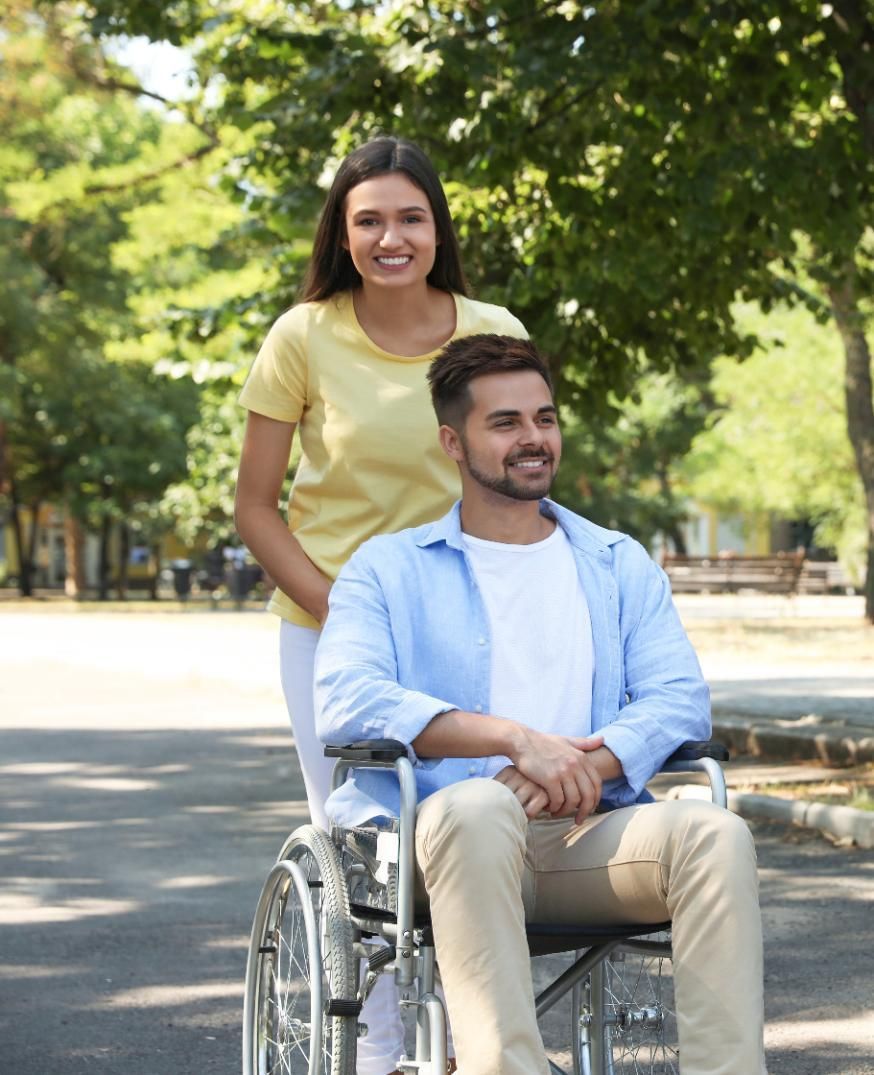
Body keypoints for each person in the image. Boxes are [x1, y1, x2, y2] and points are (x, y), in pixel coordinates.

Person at [315, 334, 767, 1075]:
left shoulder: (617, 561)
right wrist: (515, 740)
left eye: (545, 418)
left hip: (583, 834)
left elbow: (678, 696)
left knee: (714, 833)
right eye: (506, 423)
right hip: (444, 839)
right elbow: (348, 698)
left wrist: (585, 758)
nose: (534, 439)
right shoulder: (387, 569)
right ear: (452, 442)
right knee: (478, 808)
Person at [235, 137, 524, 1075]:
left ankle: (483, 1038)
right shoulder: (304, 336)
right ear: (343, 233)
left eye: (410, 217)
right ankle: (386, 1054)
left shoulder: (490, 328)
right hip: (329, 626)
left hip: (472, 617)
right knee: (367, 852)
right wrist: (350, 612)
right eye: (369, 221)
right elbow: (254, 506)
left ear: (437, 227)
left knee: (481, 823)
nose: (391, 237)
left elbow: (522, 470)